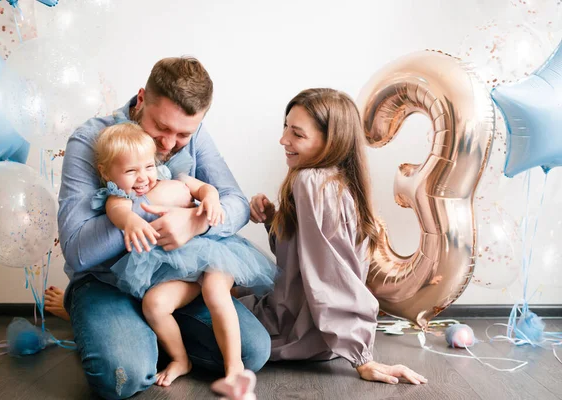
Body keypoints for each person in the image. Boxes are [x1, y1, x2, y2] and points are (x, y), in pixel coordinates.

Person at [51, 56, 271, 400]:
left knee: (253, 353)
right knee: (122, 377)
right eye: (161, 128)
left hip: (172, 276)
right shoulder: (91, 140)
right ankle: (123, 334)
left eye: (183, 134)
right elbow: (78, 252)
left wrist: (193, 223)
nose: (169, 144)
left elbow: (236, 202)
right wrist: (157, 203)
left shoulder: (192, 133)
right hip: (105, 282)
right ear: (141, 100)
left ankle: (150, 334)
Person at [242, 88, 428, 385]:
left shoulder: (310, 183)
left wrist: (362, 357)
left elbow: (332, 274)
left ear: (331, 142)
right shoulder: (338, 182)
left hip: (295, 332)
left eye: (297, 134)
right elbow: (301, 262)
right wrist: (274, 221)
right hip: (320, 337)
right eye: (285, 128)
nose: (283, 140)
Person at [91, 122, 276, 386]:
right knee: (154, 305)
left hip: (213, 252)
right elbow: (118, 212)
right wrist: (130, 222)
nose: (143, 177)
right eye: (131, 171)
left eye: (148, 166)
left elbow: (205, 189)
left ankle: (234, 366)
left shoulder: (171, 176)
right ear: (106, 172)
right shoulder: (119, 197)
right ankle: (181, 359)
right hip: (177, 271)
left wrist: (211, 199)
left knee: (215, 291)